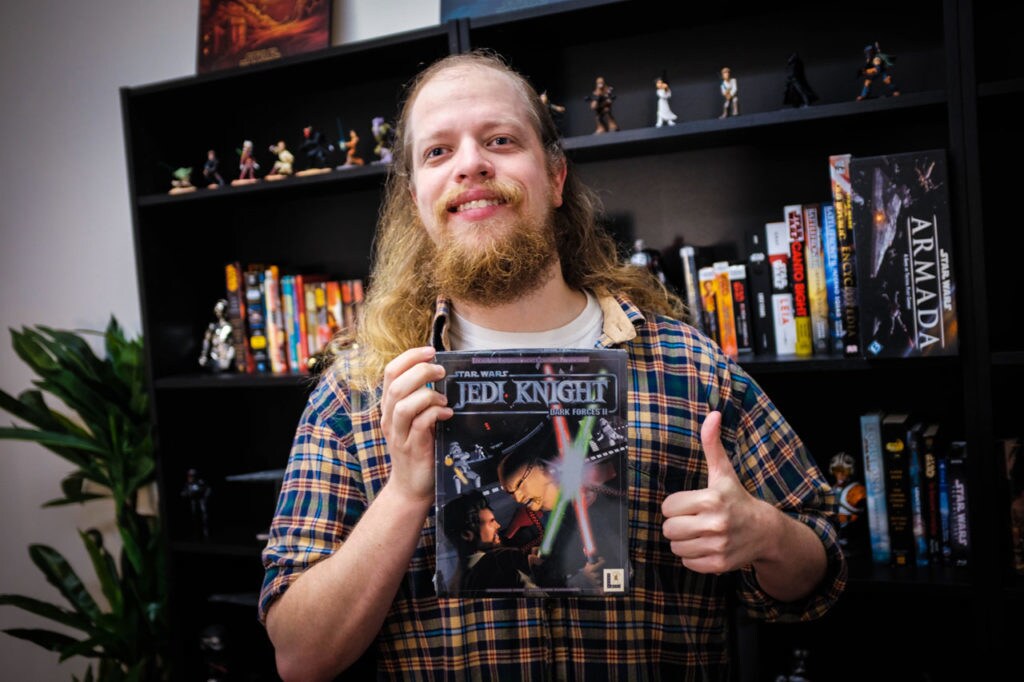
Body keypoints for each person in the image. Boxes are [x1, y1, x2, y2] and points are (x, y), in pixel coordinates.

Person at [259, 49, 846, 680]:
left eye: (501, 139)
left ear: (557, 176)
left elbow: (824, 571)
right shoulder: (356, 392)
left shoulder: (690, 368)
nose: (470, 165)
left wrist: (765, 535)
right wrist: (405, 496)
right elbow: (299, 657)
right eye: (437, 152)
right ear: (416, 200)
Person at [439, 489, 536, 594]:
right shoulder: (504, 561)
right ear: (467, 535)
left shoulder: (454, 587)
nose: (498, 525)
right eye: (491, 522)